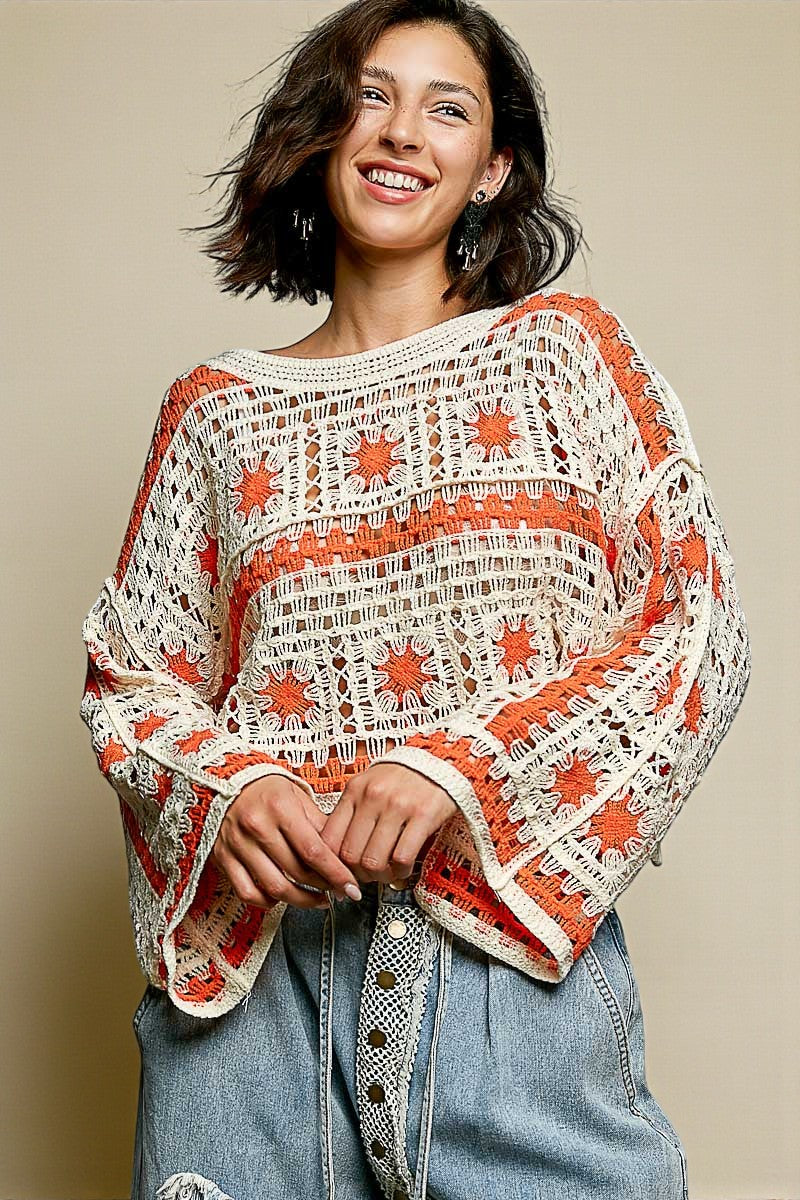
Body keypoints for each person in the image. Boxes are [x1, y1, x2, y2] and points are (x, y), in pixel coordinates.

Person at [78, 2, 751, 1198]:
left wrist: (463, 767)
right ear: (320, 130)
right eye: (369, 96)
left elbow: (693, 625)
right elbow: (133, 682)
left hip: (508, 985)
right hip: (256, 1009)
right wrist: (231, 788)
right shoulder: (212, 412)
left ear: (491, 166)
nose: (401, 134)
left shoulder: (566, 355)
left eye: (448, 108)